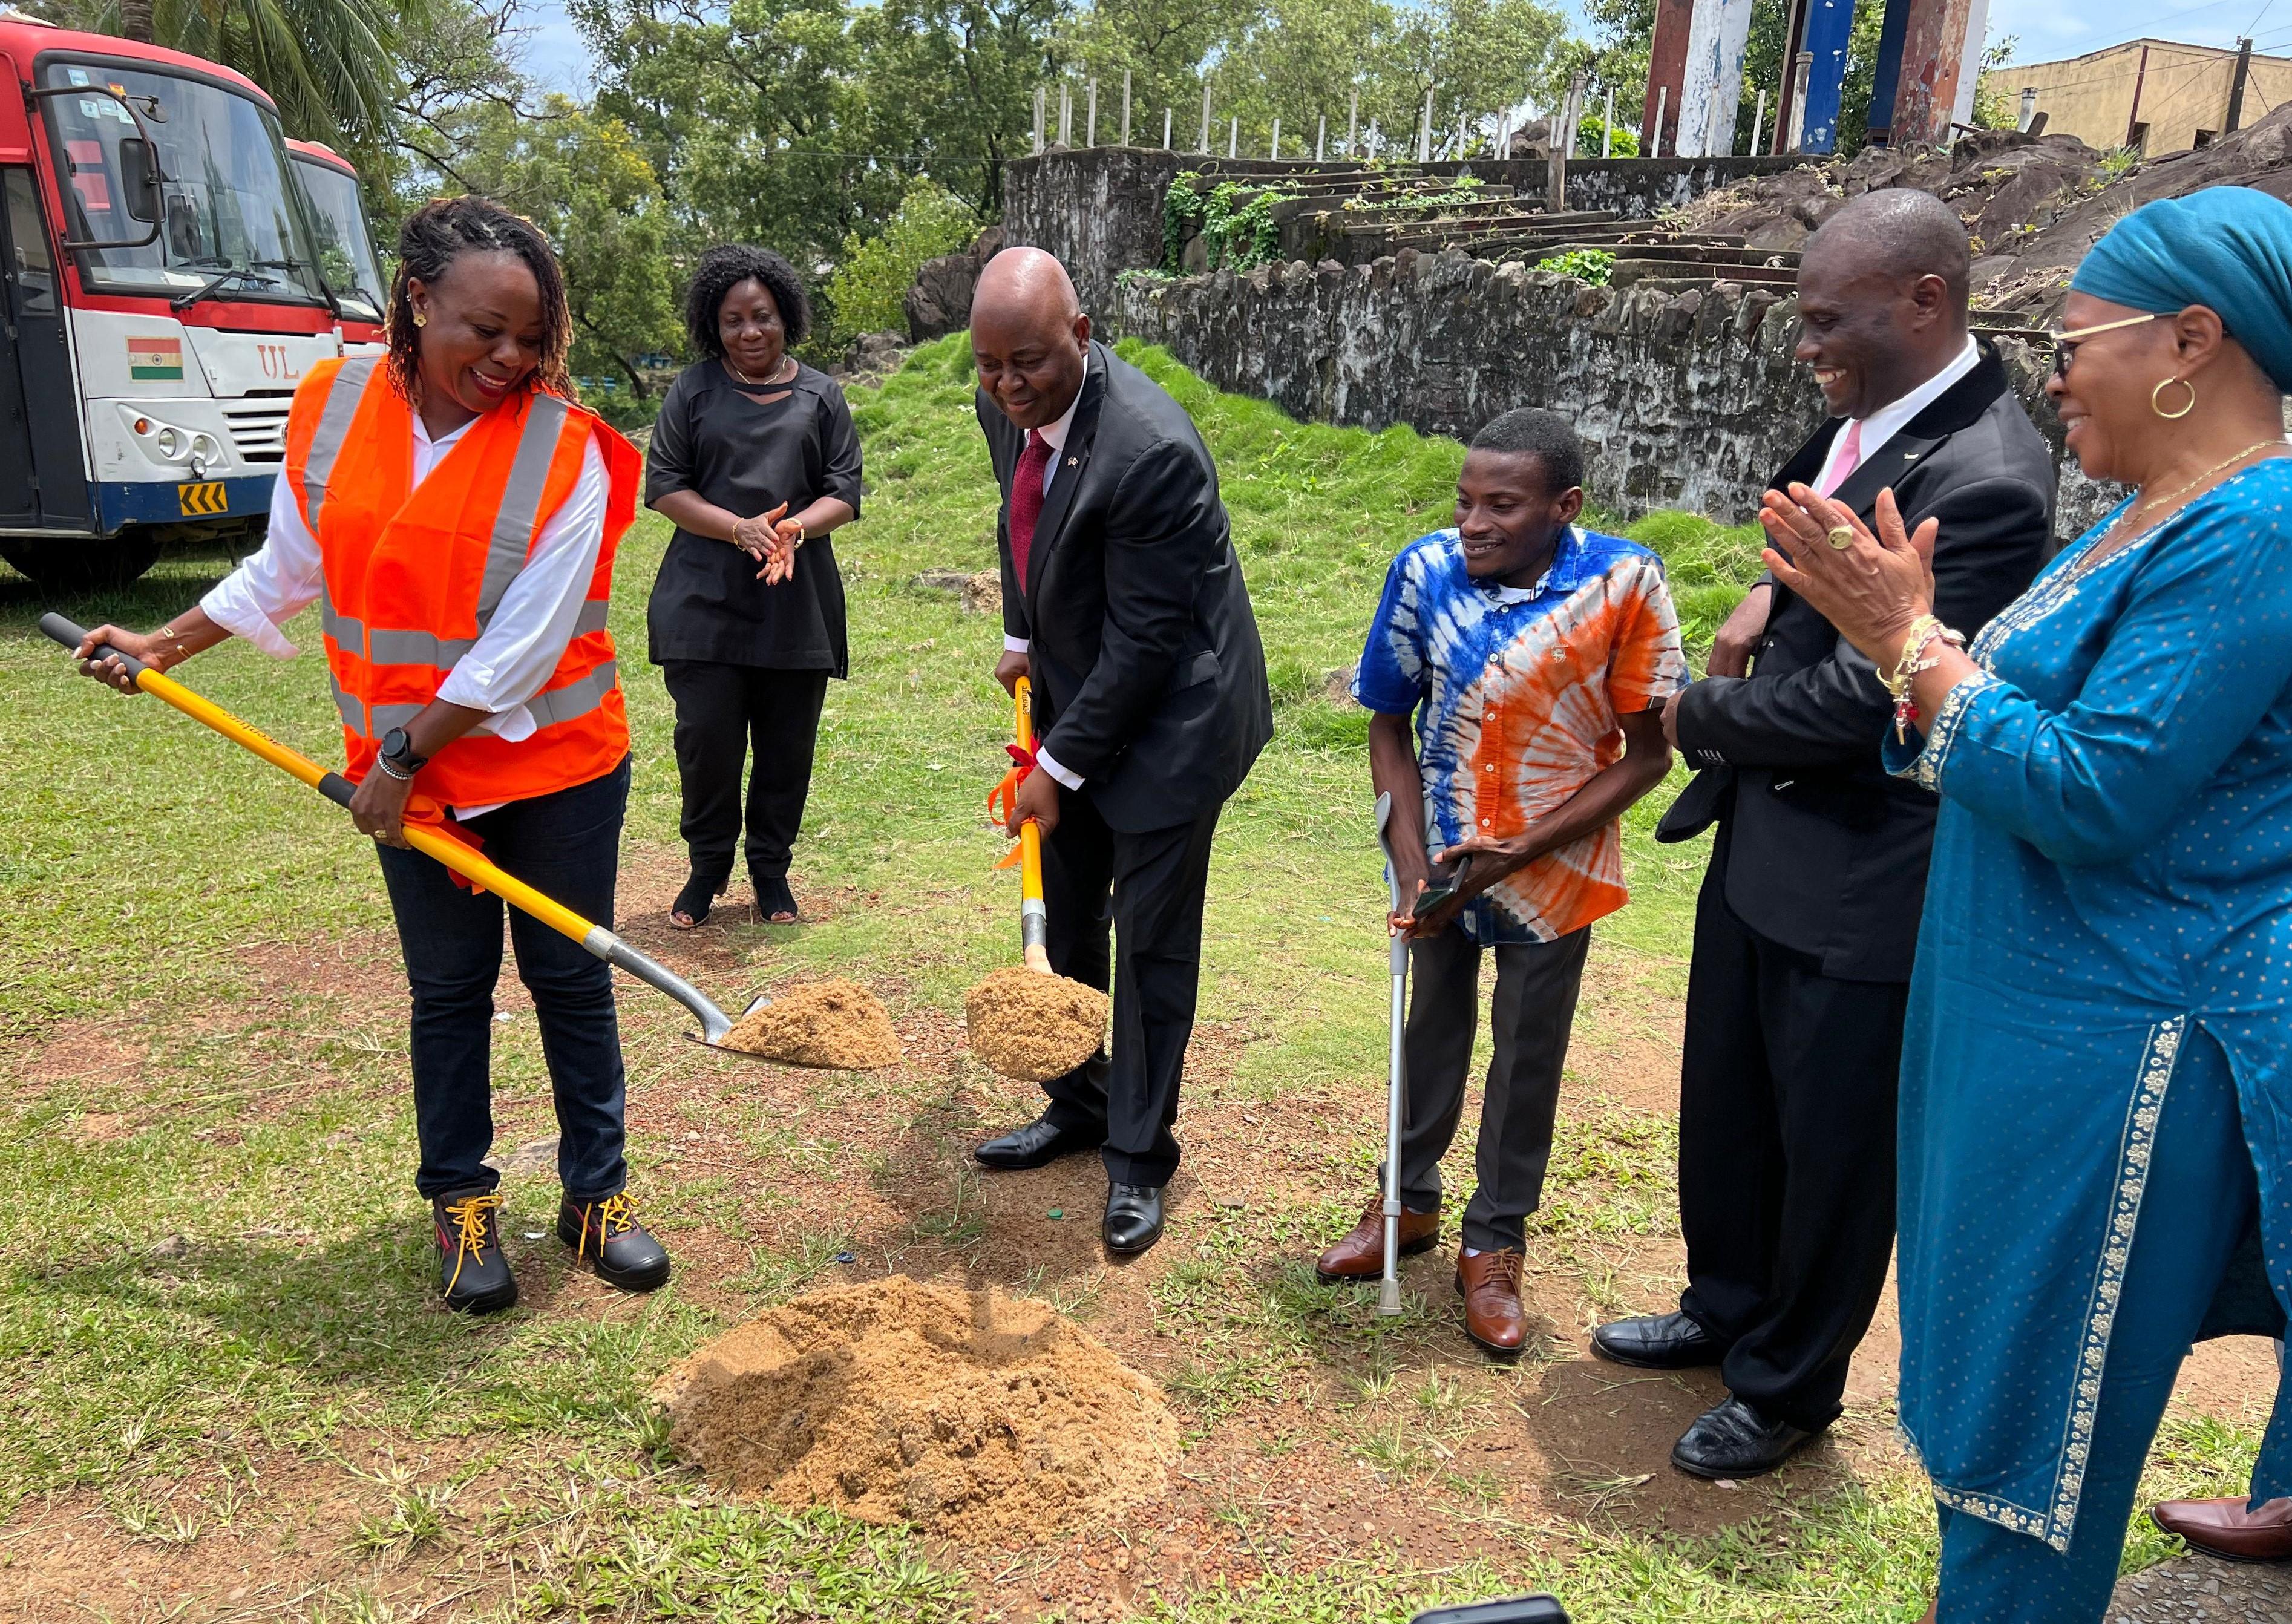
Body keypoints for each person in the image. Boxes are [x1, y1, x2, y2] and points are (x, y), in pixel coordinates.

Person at [1767, 183, 2292, 1621]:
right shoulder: (2146, 515)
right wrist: (1905, 647)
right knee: (1999, 1397)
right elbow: (1998, 708)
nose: (2050, 375)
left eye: (2072, 342)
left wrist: (1906, 640)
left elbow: (2092, 788)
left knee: (2030, 1446)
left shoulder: (2257, 527)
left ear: (2191, 341)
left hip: (2117, 1057)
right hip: (2028, 1021)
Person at [73, 196, 669, 1314]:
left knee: (568, 980)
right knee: (447, 990)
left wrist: (400, 754)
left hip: (552, 765)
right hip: (411, 778)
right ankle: (461, 1202)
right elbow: (288, 564)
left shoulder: (567, 449)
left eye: (529, 337)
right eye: (485, 329)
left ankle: (596, 1195)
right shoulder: (334, 403)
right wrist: (164, 642)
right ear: (418, 300)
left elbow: (525, 644)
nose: (509, 358)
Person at [1590, 189, 2055, 1478]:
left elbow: (1869, 699)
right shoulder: (1871, 416)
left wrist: (1695, 713)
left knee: (1832, 1143)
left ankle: (1789, 1381)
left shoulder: (1986, 481)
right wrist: (1759, 593)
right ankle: (1725, 1304)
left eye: (1827, 320)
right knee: (1729, 1103)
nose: (1806, 346)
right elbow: (1817, 562)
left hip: (1861, 874)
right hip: (1768, 847)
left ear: (1925, 301)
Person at [1312, 410, 1684, 1355]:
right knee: (1429, 1031)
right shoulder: (1425, 572)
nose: (1474, 524)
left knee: (1528, 1057)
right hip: (1439, 861)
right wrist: (1412, 864)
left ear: (1566, 506)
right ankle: (1404, 1206)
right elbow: (1388, 722)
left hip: (1555, 869)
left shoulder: (1625, 583)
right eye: (1466, 501)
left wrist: (1516, 853)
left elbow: (1649, 756)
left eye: (1503, 507)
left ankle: (1494, 1243)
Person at [967, 247, 1272, 1258]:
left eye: (1029, 362)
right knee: (1063, 915)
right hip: (1081, 691)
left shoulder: (1150, 453)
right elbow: (1022, 518)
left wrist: (1053, 771)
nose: (1009, 385)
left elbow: (1147, 643)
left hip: (1176, 717)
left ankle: (1139, 1155)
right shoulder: (1006, 408)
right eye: (990, 365)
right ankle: (1081, 1100)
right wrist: (1021, 633)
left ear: (1083, 335)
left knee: (1147, 944)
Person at [645, 245, 862, 927]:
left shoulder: (822, 396)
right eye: (733, 320)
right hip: (703, 601)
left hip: (795, 601)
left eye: (762, 316)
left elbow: (845, 492)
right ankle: (706, 868)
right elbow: (665, 486)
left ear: (785, 316)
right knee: (706, 743)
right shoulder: (692, 392)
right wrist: (739, 529)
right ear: (713, 327)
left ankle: (771, 871)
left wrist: (794, 527)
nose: (749, 332)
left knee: (785, 749)